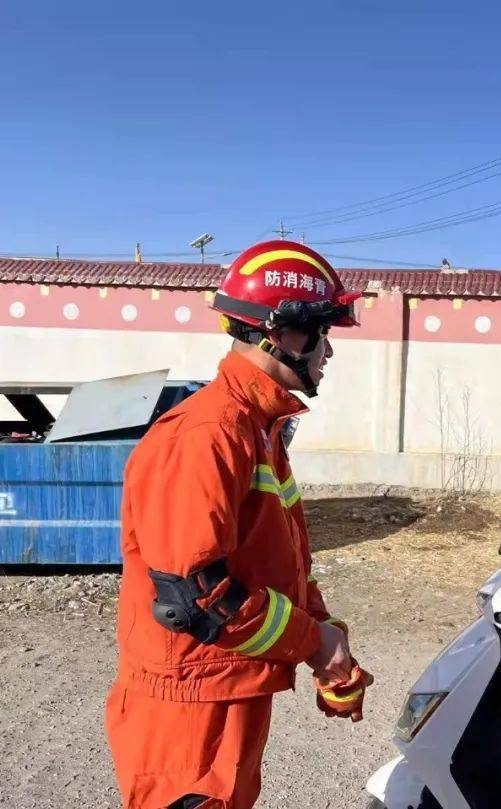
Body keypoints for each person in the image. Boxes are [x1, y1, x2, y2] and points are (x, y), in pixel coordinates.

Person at [106, 241, 372, 809]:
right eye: (324, 333)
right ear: (282, 334)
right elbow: (193, 596)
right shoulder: (207, 435)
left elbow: (275, 560)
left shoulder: (259, 429)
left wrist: (324, 638)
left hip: (227, 680)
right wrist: (310, 640)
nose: (329, 351)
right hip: (190, 703)